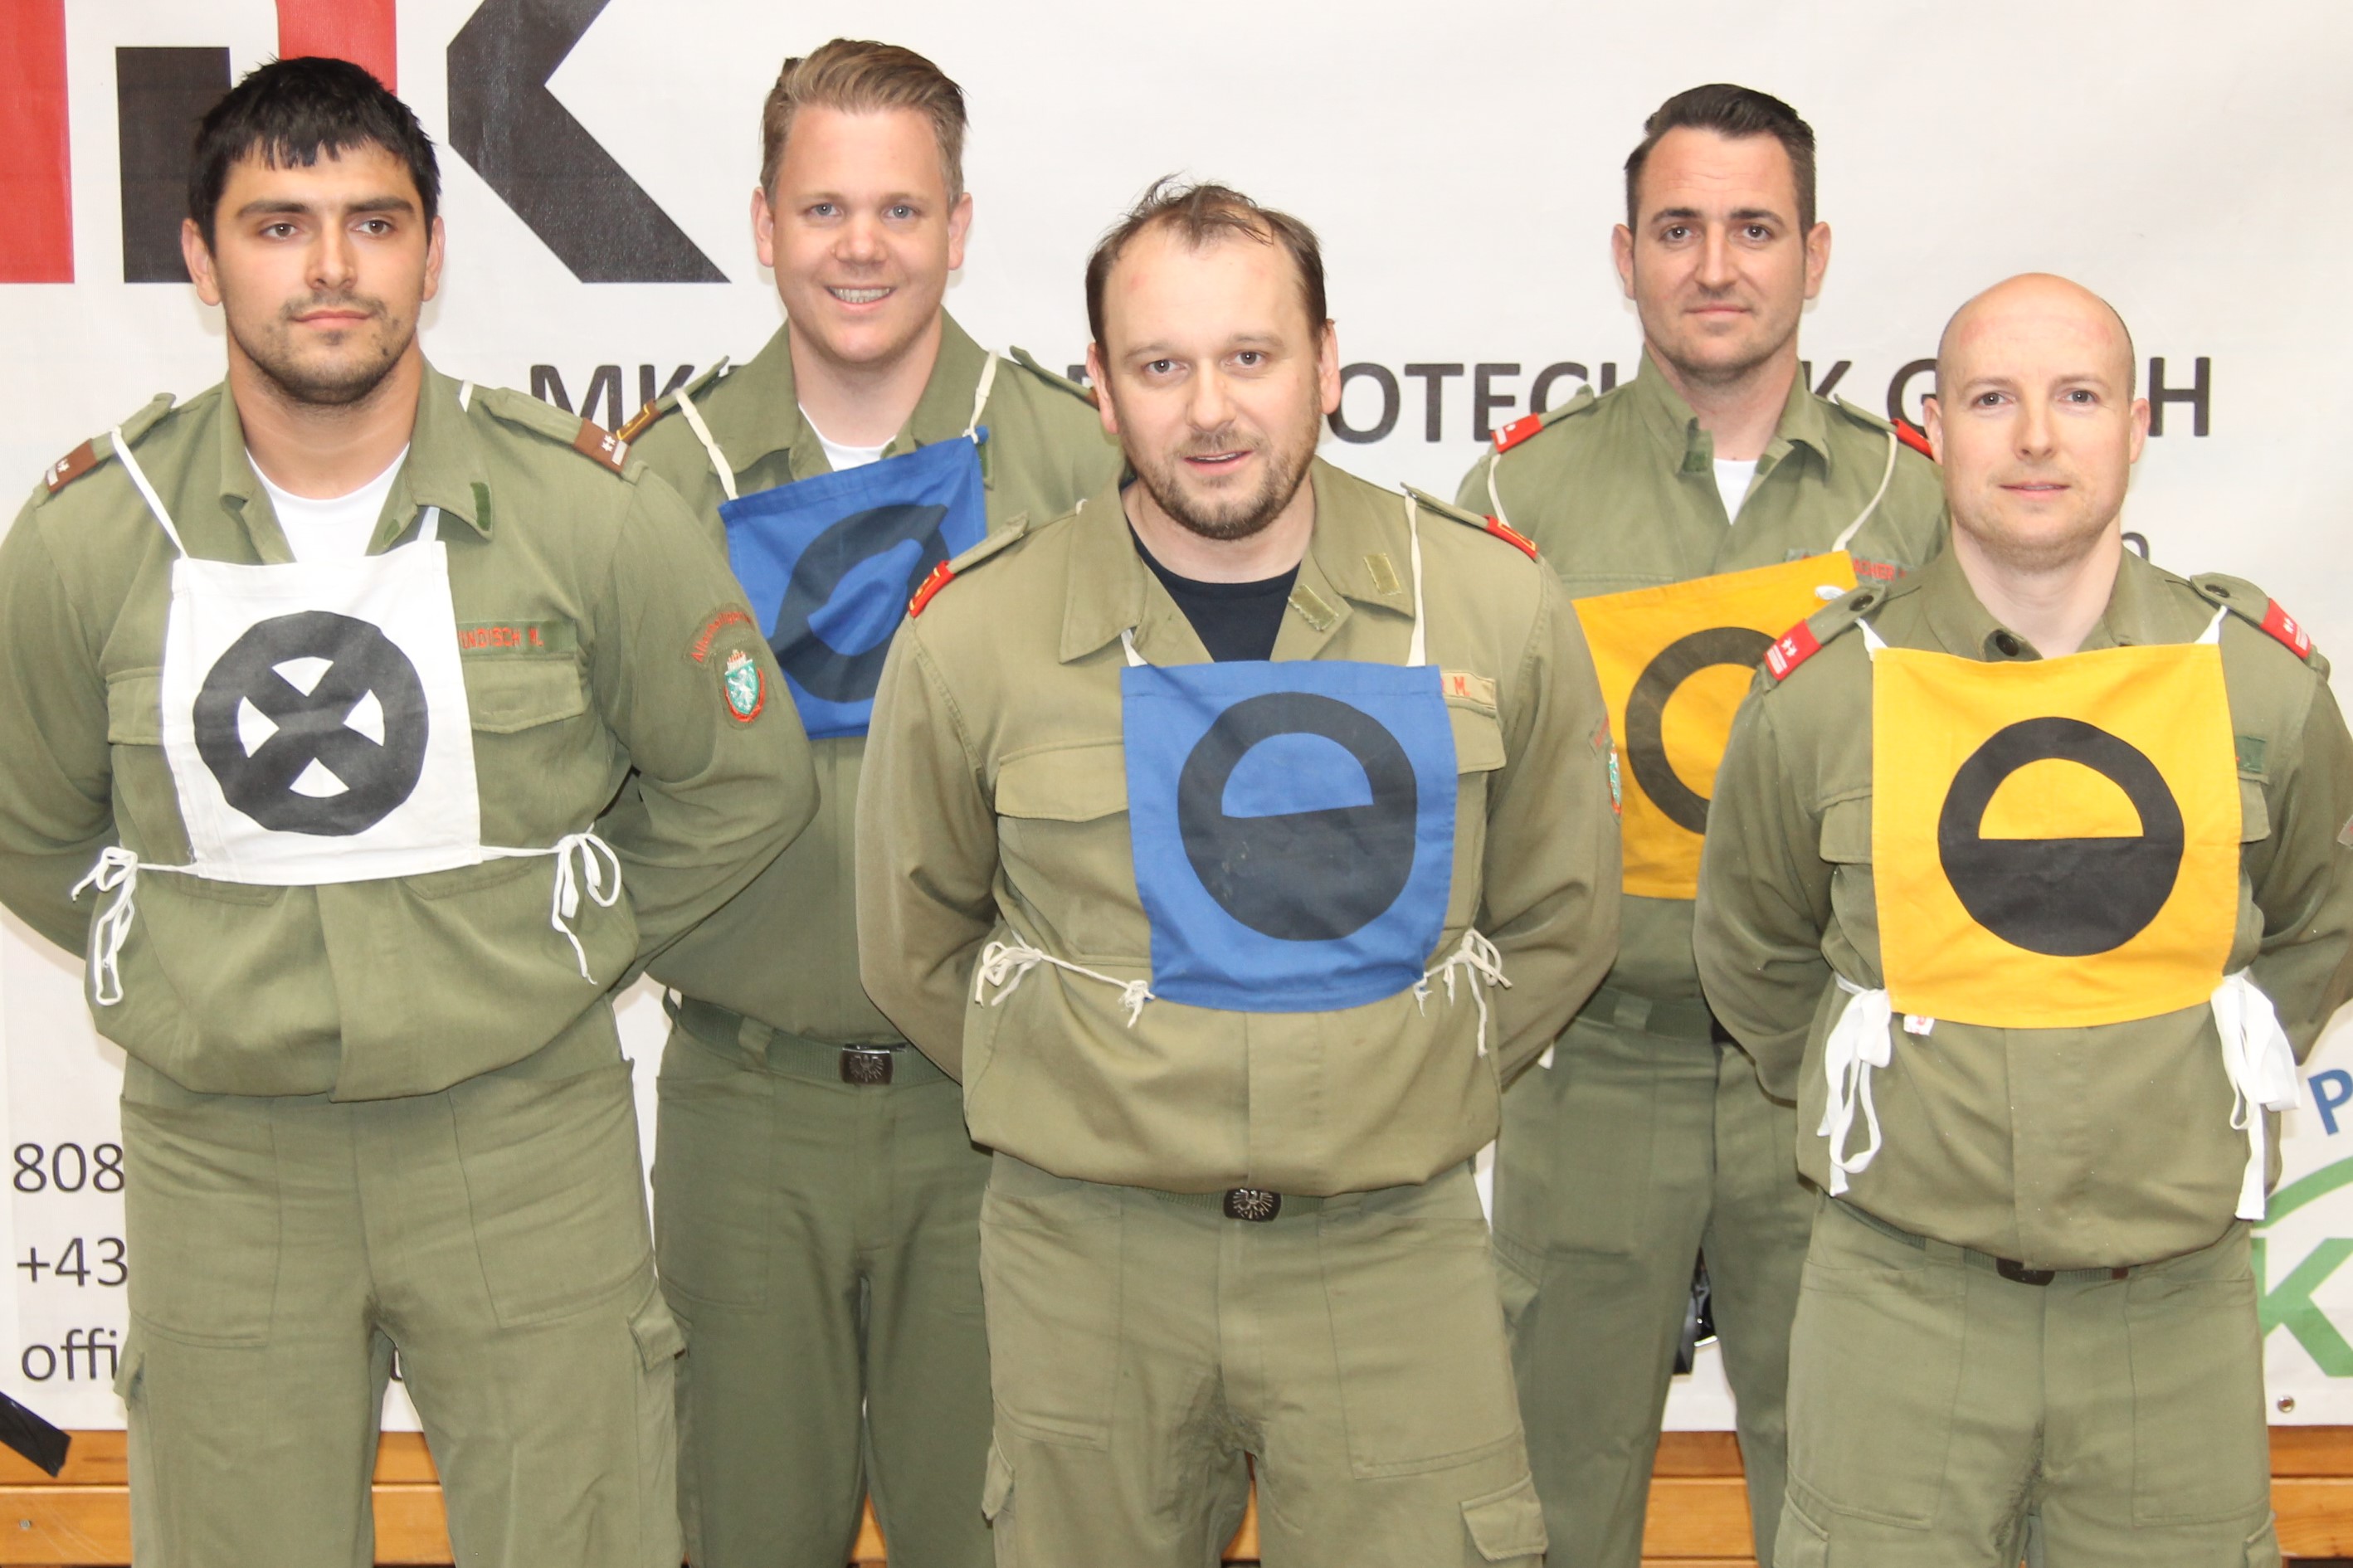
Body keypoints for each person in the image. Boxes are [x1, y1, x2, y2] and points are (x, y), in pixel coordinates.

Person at [0, 59, 816, 1568]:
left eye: (374, 224)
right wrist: (189, 965)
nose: (330, 266)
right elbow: (30, 828)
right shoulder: (88, 540)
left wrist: (559, 942)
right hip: (224, 1152)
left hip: (520, 1133)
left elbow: (739, 781)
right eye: (278, 225)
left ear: (433, 255)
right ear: (199, 259)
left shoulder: (582, 513)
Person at [855, 178, 1620, 1568]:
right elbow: (917, 943)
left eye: (1251, 356)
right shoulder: (978, 634)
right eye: (1161, 366)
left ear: (1327, 363)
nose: (1210, 409)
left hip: (1388, 1248)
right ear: (1100, 389)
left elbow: (1562, 919)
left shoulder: (1489, 605)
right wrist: (1096, 1081)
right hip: (1090, 1259)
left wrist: (1387, 1076)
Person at [1694, 273, 2353, 1566]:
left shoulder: (2258, 686)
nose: (2038, 437)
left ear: (2138, 424)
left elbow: (2317, 926)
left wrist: (2167, 1073)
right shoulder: (1827, 694)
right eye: (1994, 399)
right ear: (1937, 427)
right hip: (1900, 1311)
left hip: (2171, 1321)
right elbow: (1757, 955)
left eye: (2079, 396)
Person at [618, 37, 1118, 1568]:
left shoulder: (1077, 461)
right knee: (739, 1529)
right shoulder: (664, 480)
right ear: (762, 223)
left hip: (998, 1113)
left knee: (1002, 1534)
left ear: (959, 229)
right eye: (823, 207)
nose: (861, 247)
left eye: (901, 209)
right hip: (745, 1105)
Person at [1451, 82, 1946, 1568]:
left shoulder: (1915, 507)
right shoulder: (1516, 495)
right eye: (1678, 230)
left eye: (1754, 229)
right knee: (1548, 1496)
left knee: (1853, 1498)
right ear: (1626, 256)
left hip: (1833, 1074)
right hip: (1591, 1062)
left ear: (1815, 254)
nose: (1715, 266)